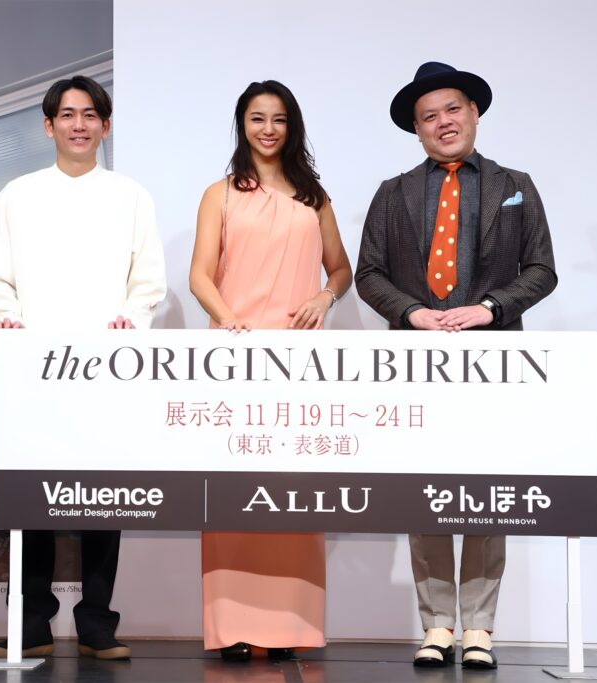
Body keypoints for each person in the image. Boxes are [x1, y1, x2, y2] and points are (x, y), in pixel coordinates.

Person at [355, 62, 558, 669]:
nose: (442, 122)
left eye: (452, 109)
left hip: (494, 361)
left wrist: (489, 308)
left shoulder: (515, 184)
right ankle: (437, 625)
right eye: (429, 116)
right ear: (416, 129)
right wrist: (412, 312)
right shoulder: (392, 193)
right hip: (415, 361)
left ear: (474, 113)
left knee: (486, 493)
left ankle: (480, 629)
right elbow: (369, 274)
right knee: (426, 492)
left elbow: (541, 270)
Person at [0, 75, 166, 661]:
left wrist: (131, 322)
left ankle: (97, 624)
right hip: (35, 368)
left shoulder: (130, 196)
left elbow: (148, 279)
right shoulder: (17, 195)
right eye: (66, 114)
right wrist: (7, 319)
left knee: (105, 497)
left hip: (109, 369)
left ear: (105, 126)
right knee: (33, 496)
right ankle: (32, 621)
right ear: (48, 125)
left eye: (89, 115)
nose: (78, 125)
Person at [188, 80, 353, 661]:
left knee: (293, 493)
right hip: (233, 359)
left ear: (292, 126)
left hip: (298, 362)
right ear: (242, 123)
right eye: (257, 118)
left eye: (278, 119)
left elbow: (341, 269)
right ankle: (231, 627)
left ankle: (289, 627)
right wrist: (228, 319)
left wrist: (324, 298)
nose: (268, 129)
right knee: (230, 494)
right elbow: (199, 275)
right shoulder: (220, 195)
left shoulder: (314, 198)